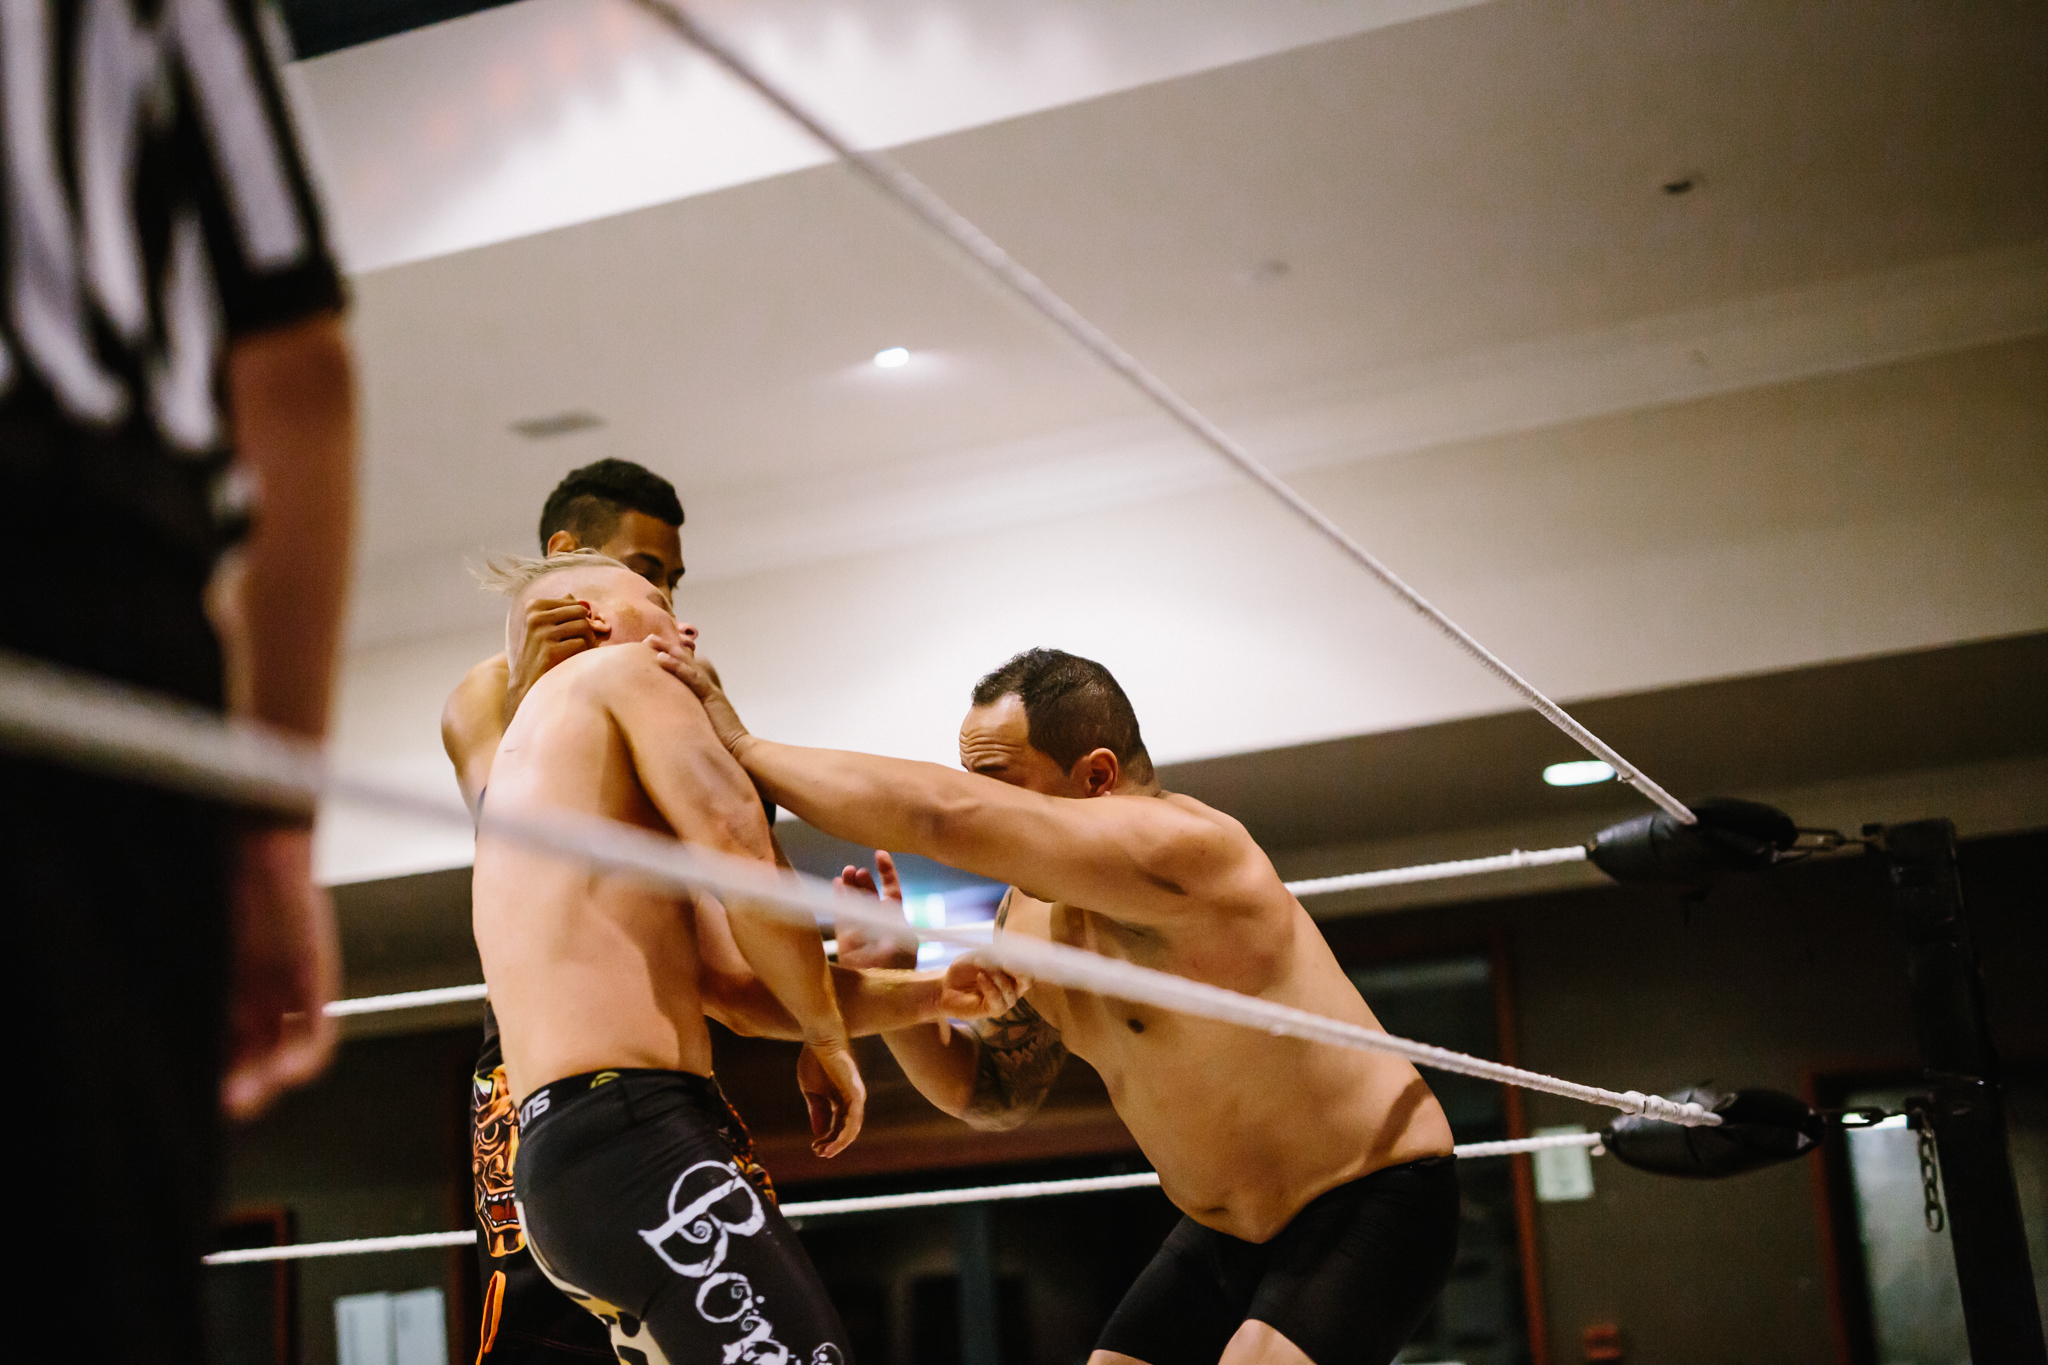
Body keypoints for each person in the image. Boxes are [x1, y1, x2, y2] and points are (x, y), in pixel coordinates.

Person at [661, 646, 1463, 1365]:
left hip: (1369, 1194)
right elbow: (990, 1093)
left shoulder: (1192, 853)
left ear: (1098, 777)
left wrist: (742, 748)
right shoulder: (1029, 917)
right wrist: (906, 985)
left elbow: (943, 814)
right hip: (1223, 1230)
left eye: (999, 785)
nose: (988, 813)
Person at [0, 2, 355, 1359]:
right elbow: (299, 367)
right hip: (78, 590)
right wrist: (270, 827)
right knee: (84, 1265)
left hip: (88, 590)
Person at [473, 552, 1020, 1365]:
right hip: (637, 1139)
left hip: (564, 1170)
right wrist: (826, 1038)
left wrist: (931, 993)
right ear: (594, 617)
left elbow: (736, 988)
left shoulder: (538, 776)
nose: (684, 625)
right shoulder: (627, 673)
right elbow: (741, 853)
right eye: (657, 600)